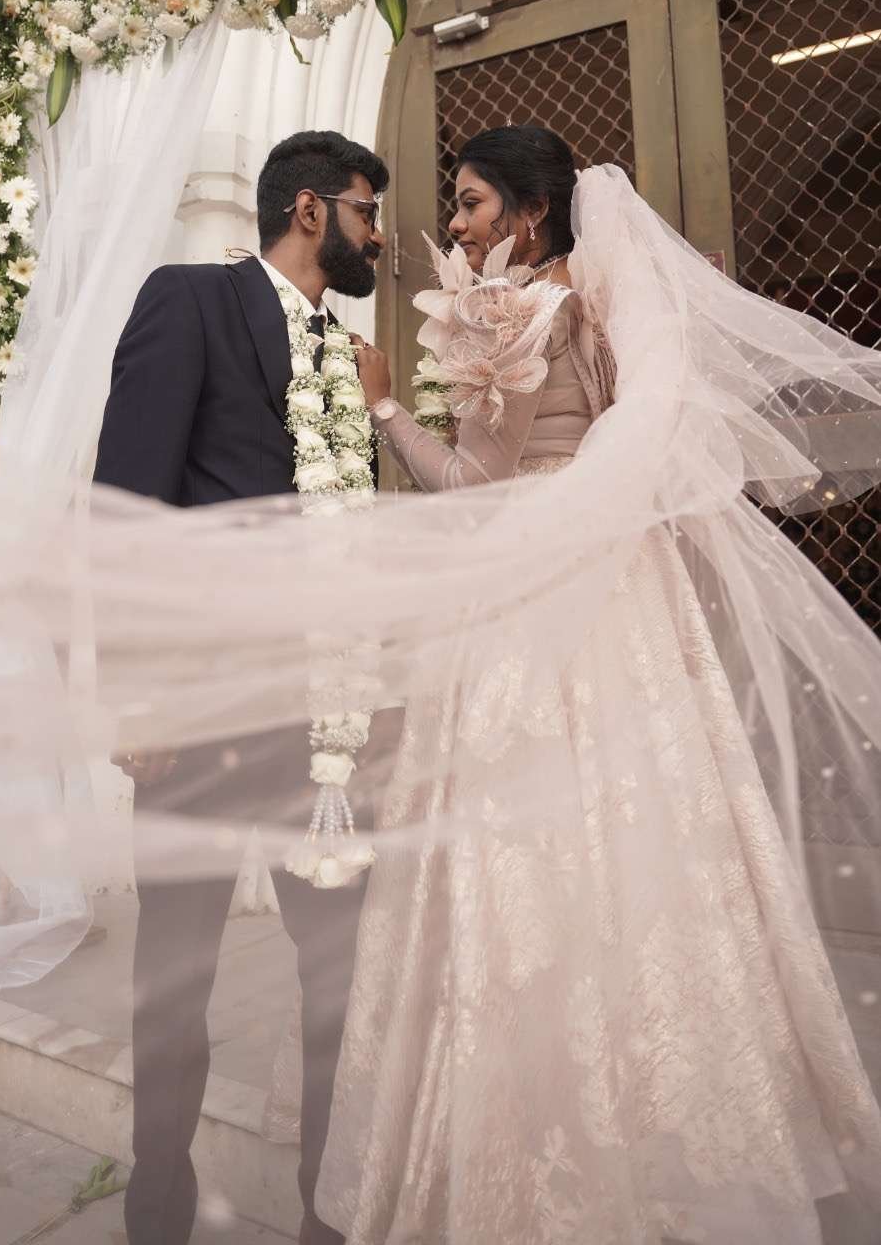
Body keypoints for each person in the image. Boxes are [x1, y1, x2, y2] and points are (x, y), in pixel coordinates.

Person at [314, 126, 881, 1244]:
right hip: (628, 590)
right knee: (649, 831)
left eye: (472, 202)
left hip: (533, 593)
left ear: (530, 212)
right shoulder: (613, 306)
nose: (458, 224)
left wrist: (385, 409)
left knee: (526, 835)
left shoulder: (517, 310)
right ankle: (677, 1124)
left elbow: (471, 481)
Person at [94, 129, 388, 1245]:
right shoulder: (191, 301)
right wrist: (137, 694)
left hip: (324, 733)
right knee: (174, 981)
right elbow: (127, 505)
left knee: (338, 985)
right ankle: (156, 1210)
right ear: (311, 211)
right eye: (366, 212)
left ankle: (325, 1217)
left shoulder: (353, 358)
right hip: (202, 718)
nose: (377, 239)